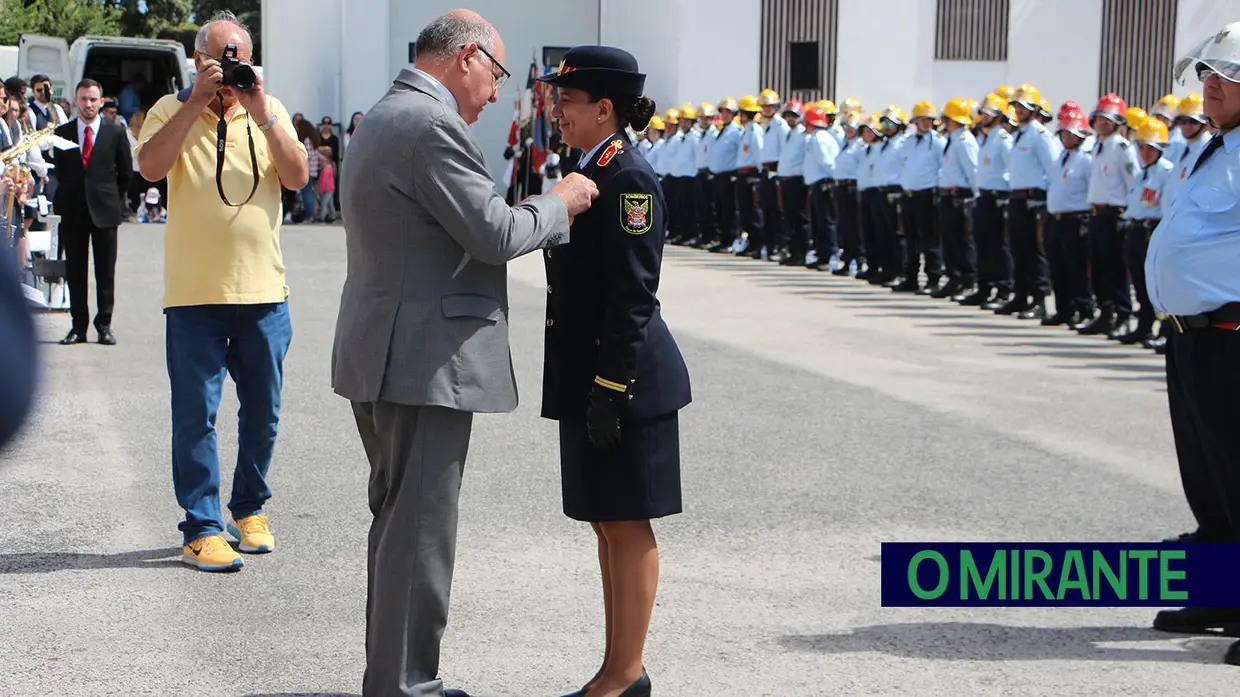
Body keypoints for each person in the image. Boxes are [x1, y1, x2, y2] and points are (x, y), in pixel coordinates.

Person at [330, 10, 598, 697]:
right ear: (468, 58)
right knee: (418, 532)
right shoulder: (428, 123)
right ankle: (406, 685)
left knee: (399, 526)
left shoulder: (387, 114)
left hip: (388, 349)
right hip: (423, 358)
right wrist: (561, 200)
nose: (496, 92)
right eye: (498, 75)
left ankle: (393, 676)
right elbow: (494, 231)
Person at [537, 45, 692, 697]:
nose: (556, 111)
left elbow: (634, 295)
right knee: (606, 521)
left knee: (626, 522)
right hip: (593, 372)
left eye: (567, 102)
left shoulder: (628, 177)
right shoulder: (587, 166)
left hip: (624, 380)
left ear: (605, 109)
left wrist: (608, 388)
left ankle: (627, 671)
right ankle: (613, 666)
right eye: (556, 100)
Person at [135, 11, 309, 572]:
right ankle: (201, 526)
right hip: (194, 295)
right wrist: (192, 104)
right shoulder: (170, 109)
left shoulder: (269, 107)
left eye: (240, 56)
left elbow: (299, 176)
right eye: (221, 56)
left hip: (263, 291)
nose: (231, 66)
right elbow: (150, 168)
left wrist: (259, 111)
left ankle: (249, 509)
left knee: (263, 413)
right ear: (197, 59)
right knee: (195, 416)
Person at [1147, 21, 1240, 666]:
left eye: (1227, 77)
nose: (1211, 86)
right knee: (1209, 482)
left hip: (1233, 336)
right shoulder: (1214, 147)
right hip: (1192, 340)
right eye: (1208, 74)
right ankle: (1221, 592)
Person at [51, 78, 132, 346]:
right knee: (75, 271)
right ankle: (78, 327)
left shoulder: (115, 132)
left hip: (105, 210)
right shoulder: (62, 133)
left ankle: (104, 325)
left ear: (101, 101)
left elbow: (125, 172)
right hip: (73, 210)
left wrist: (113, 198)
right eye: (84, 99)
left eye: (93, 99)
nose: (88, 104)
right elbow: (60, 171)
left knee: (105, 272)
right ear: (76, 101)